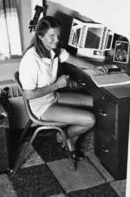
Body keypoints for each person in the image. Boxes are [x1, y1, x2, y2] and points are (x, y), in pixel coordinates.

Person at [19, 16, 107, 160]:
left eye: (58, 35)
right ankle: (64, 136)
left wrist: (94, 67)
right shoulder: (30, 60)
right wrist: (57, 85)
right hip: (42, 107)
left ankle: (69, 139)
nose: (56, 40)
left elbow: (72, 59)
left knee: (96, 102)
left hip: (53, 97)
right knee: (90, 119)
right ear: (40, 36)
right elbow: (28, 95)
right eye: (51, 36)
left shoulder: (53, 50)